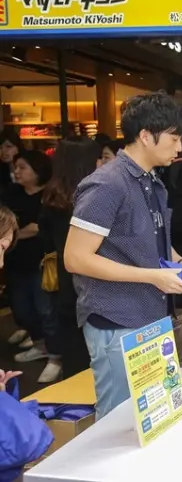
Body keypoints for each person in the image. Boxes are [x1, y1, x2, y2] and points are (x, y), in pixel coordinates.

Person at [64, 92, 182, 419]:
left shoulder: (153, 182)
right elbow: (76, 258)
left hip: (151, 316)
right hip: (117, 318)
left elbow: (149, 240)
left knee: (150, 417)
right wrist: (154, 276)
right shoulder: (107, 184)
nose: (179, 147)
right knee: (117, 421)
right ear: (146, 136)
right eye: (174, 138)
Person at [40, 138, 102, 380]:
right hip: (94, 288)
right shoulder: (94, 200)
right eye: (99, 159)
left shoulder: (52, 199)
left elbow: (45, 243)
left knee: (76, 361)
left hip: (67, 290)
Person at [5, 151, 60, 383]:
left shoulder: (50, 195)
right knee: (21, 309)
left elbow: (38, 226)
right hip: (15, 262)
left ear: (38, 170)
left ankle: (56, 357)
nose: (17, 171)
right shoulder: (10, 193)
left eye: (23, 167)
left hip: (41, 263)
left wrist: (12, 234)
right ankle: (39, 345)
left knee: (46, 310)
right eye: (16, 167)